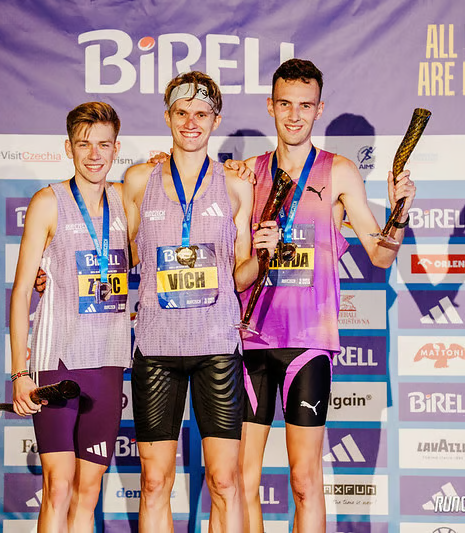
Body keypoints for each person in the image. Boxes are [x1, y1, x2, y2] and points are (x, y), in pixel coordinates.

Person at [237, 59, 416, 533]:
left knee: (304, 481)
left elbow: (380, 255)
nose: (294, 115)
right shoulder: (246, 173)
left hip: (308, 342)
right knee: (240, 479)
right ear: (270, 106)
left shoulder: (339, 171)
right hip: (250, 340)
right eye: (285, 104)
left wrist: (399, 210)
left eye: (305, 105)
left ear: (319, 109)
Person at [121, 71, 278, 533]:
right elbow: (118, 254)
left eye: (202, 114)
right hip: (156, 348)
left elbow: (240, 273)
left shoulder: (236, 185)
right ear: (167, 116)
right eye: (182, 113)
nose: (191, 123)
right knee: (154, 483)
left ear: (216, 120)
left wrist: (264, 257)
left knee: (225, 481)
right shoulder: (138, 179)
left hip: (217, 348)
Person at [10, 102, 131, 533]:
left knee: (88, 491)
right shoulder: (48, 202)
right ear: (68, 148)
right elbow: (22, 291)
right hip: (56, 362)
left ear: (116, 148)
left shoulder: (126, 201)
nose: (94, 154)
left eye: (103, 144)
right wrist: (19, 373)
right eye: (84, 144)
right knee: (58, 486)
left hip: (108, 362)